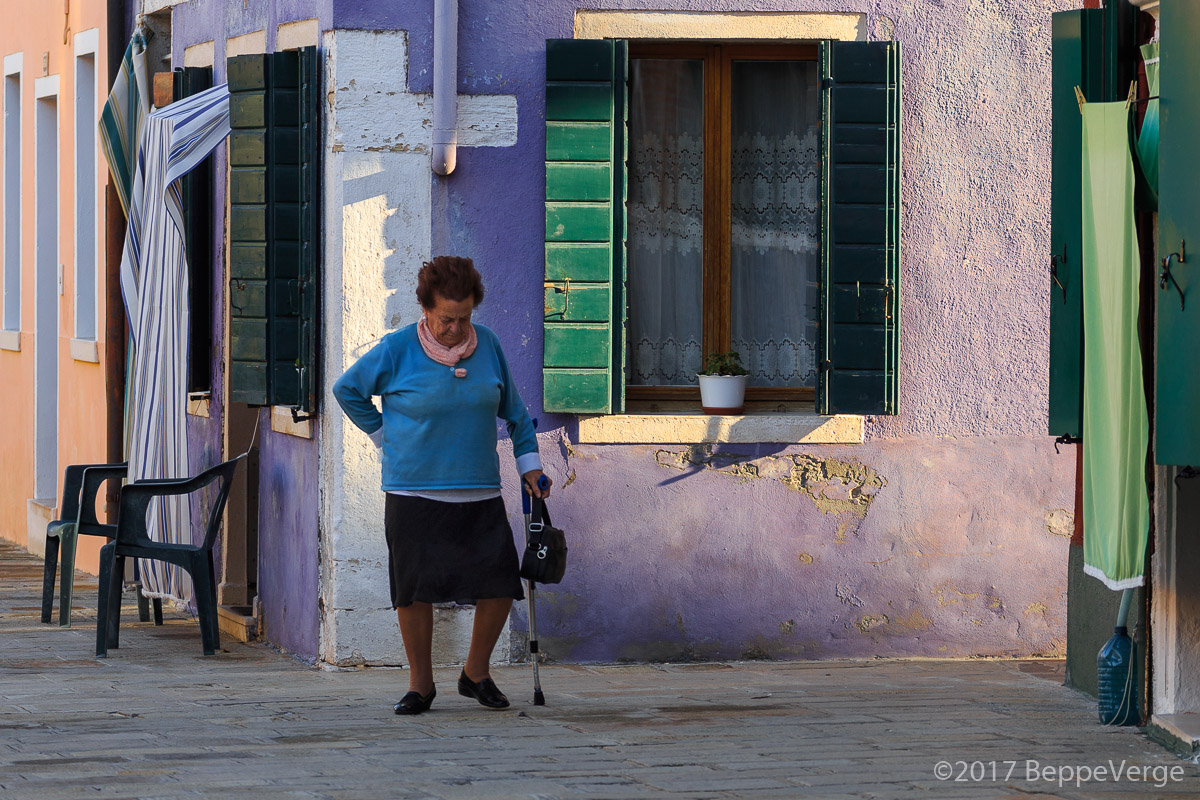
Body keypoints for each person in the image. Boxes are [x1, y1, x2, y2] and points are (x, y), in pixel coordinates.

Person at [332, 255, 551, 715]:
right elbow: (347, 389)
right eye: (445, 318)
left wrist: (529, 466)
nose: (454, 328)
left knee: (498, 584)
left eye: (464, 318)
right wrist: (383, 437)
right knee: (413, 589)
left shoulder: (488, 345)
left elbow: (515, 412)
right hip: (413, 492)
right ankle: (420, 685)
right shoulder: (396, 350)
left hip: (480, 491)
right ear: (426, 309)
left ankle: (475, 673)